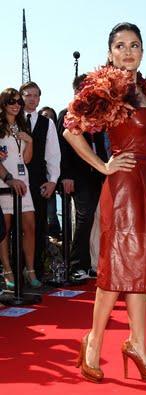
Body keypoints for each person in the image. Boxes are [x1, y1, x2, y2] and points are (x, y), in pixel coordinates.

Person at [63, 22, 146, 383]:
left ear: (142, 51)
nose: (128, 51)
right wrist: (103, 165)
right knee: (116, 270)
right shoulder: (106, 88)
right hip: (124, 184)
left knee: (141, 269)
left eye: (134, 45)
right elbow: (71, 129)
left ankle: (138, 344)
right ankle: (94, 341)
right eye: (120, 46)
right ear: (110, 52)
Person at [57, 75, 108, 282]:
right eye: (88, 87)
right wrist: (66, 175)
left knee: (98, 219)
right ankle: (77, 265)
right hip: (78, 176)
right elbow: (63, 149)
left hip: (98, 173)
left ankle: (95, 264)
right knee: (84, 217)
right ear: (78, 90)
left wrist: (106, 170)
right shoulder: (67, 114)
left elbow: (101, 147)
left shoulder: (98, 114)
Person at [19, 82, 61, 279]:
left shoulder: (47, 123)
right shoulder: (11, 120)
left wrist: (53, 181)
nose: (32, 99)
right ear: (21, 97)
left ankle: (35, 270)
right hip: (11, 180)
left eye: (36, 95)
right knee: (11, 228)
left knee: (37, 226)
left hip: (38, 181)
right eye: (28, 95)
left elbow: (53, 155)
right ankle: (13, 273)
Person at [0, 88, 41, 289]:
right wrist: (8, 179)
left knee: (30, 226)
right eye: (11, 101)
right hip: (4, 184)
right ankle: (7, 270)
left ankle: (30, 269)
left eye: (18, 102)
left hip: (23, 182)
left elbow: (26, 159)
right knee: (4, 229)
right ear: (3, 104)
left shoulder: (22, 125)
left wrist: (30, 141)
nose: (16, 104)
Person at [38, 106, 61, 239]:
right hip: (34, 178)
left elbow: (55, 158)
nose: (48, 119)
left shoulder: (55, 136)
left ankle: (55, 237)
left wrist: (53, 179)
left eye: (51, 117)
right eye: (45, 116)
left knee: (52, 213)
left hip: (51, 180)